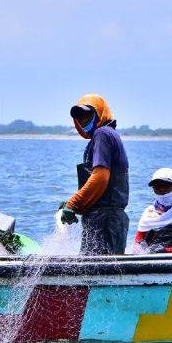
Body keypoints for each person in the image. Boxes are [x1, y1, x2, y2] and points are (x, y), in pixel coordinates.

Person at [56, 94, 130, 255]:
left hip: (105, 220)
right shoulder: (109, 135)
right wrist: (76, 203)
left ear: (100, 113)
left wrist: (74, 203)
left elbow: (100, 177)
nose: (83, 120)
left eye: (88, 115)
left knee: (95, 273)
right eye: (79, 117)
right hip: (110, 219)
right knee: (107, 274)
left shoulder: (102, 134)